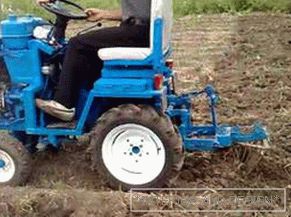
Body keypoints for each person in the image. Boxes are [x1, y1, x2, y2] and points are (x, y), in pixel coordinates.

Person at [36, 0, 151, 122]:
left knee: (77, 44)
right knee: (89, 49)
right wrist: (104, 14)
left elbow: (142, 16)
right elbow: (137, 12)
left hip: (138, 32)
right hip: (142, 31)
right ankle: (91, 104)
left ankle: (63, 103)